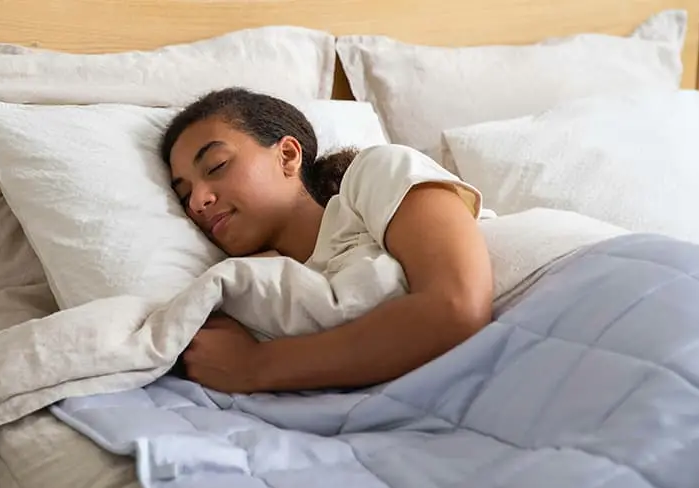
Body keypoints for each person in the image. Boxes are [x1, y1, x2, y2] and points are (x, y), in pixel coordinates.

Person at [161, 87, 493, 394]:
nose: (197, 202)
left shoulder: (376, 174)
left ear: (287, 155)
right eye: (184, 195)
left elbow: (457, 306)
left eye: (217, 166)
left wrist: (257, 365)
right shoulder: (253, 292)